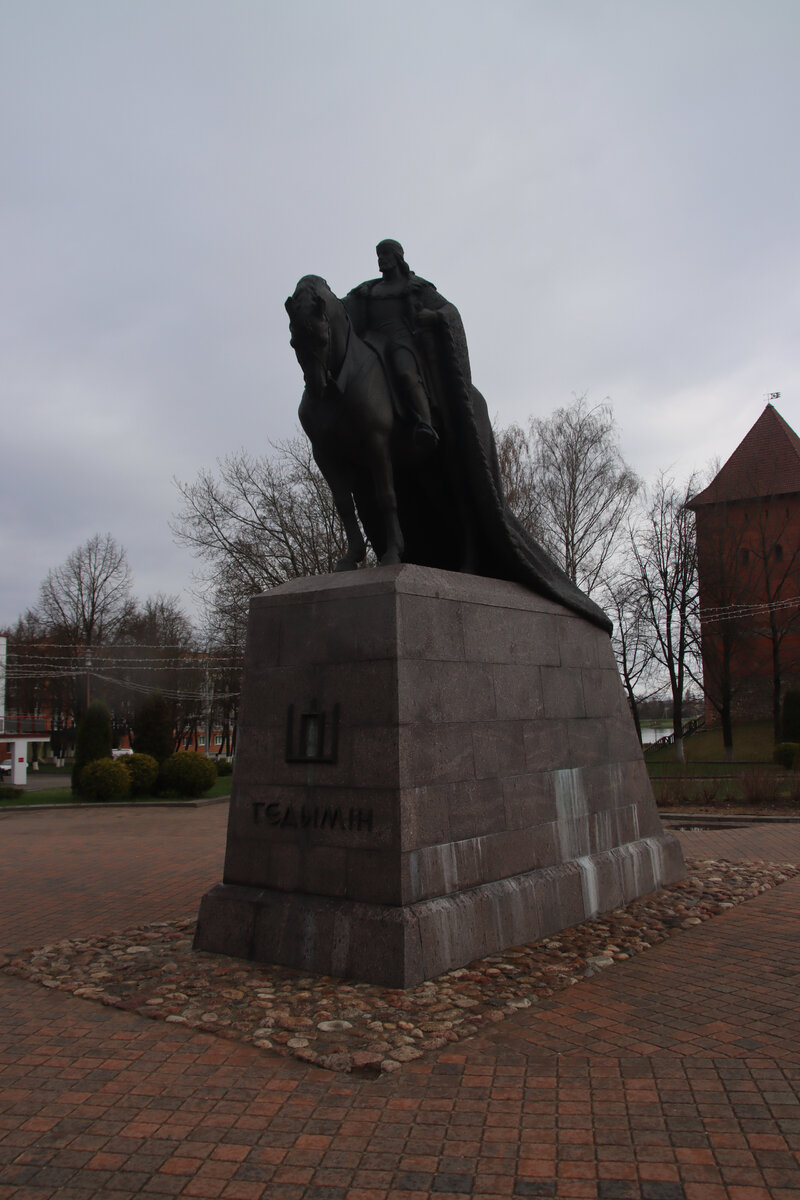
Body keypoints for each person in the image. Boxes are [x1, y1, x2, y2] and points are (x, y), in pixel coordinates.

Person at [344, 240, 447, 454]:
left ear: (398, 257)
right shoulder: (369, 289)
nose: (381, 259)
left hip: (402, 340)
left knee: (405, 373)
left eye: (386, 254)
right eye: (379, 255)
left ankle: (426, 422)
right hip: (372, 342)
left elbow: (449, 310)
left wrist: (434, 315)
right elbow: (343, 308)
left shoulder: (415, 286)